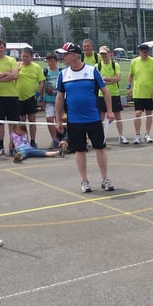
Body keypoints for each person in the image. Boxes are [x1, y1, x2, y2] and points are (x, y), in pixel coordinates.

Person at [54, 42, 115, 193]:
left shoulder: (92, 71)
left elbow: (105, 92)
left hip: (93, 118)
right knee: (79, 150)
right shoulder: (63, 74)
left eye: (65, 54)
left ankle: (105, 179)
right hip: (74, 120)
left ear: (74, 55)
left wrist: (110, 111)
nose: (63, 57)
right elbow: (59, 98)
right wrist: (58, 120)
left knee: (100, 148)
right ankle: (84, 180)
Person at [127, 44, 153, 144]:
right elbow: (131, 75)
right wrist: (128, 88)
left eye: (147, 52)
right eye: (143, 52)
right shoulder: (134, 62)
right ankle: (137, 135)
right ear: (139, 52)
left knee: (149, 114)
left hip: (149, 92)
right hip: (138, 92)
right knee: (138, 113)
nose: (145, 54)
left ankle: (147, 134)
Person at [96, 46, 127, 144]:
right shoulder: (97, 66)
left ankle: (121, 135)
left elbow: (117, 78)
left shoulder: (115, 64)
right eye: (102, 54)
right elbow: (97, 80)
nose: (103, 56)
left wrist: (105, 79)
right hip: (101, 94)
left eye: (105, 54)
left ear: (109, 54)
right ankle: (101, 137)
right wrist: (110, 80)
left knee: (118, 116)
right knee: (101, 117)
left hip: (114, 93)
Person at [16, 47, 45, 148]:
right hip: (19, 97)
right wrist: (17, 70)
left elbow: (41, 82)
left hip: (31, 97)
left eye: (27, 56)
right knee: (22, 121)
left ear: (31, 57)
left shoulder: (36, 67)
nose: (24, 58)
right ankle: (24, 141)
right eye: (23, 56)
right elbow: (12, 77)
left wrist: (37, 94)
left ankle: (33, 140)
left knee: (32, 120)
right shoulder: (17, 66)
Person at [42, 52, 61, 149]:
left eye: (52, 61)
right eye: (48, 61)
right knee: (49, 119)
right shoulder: (45, 72)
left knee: (60, 120)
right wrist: (41, 98)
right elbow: (42, 85)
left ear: (56, 61)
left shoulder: (60, 72)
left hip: (60, 100)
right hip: (49, 100)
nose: (50, 63)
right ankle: (54, 139)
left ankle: (62, 138)